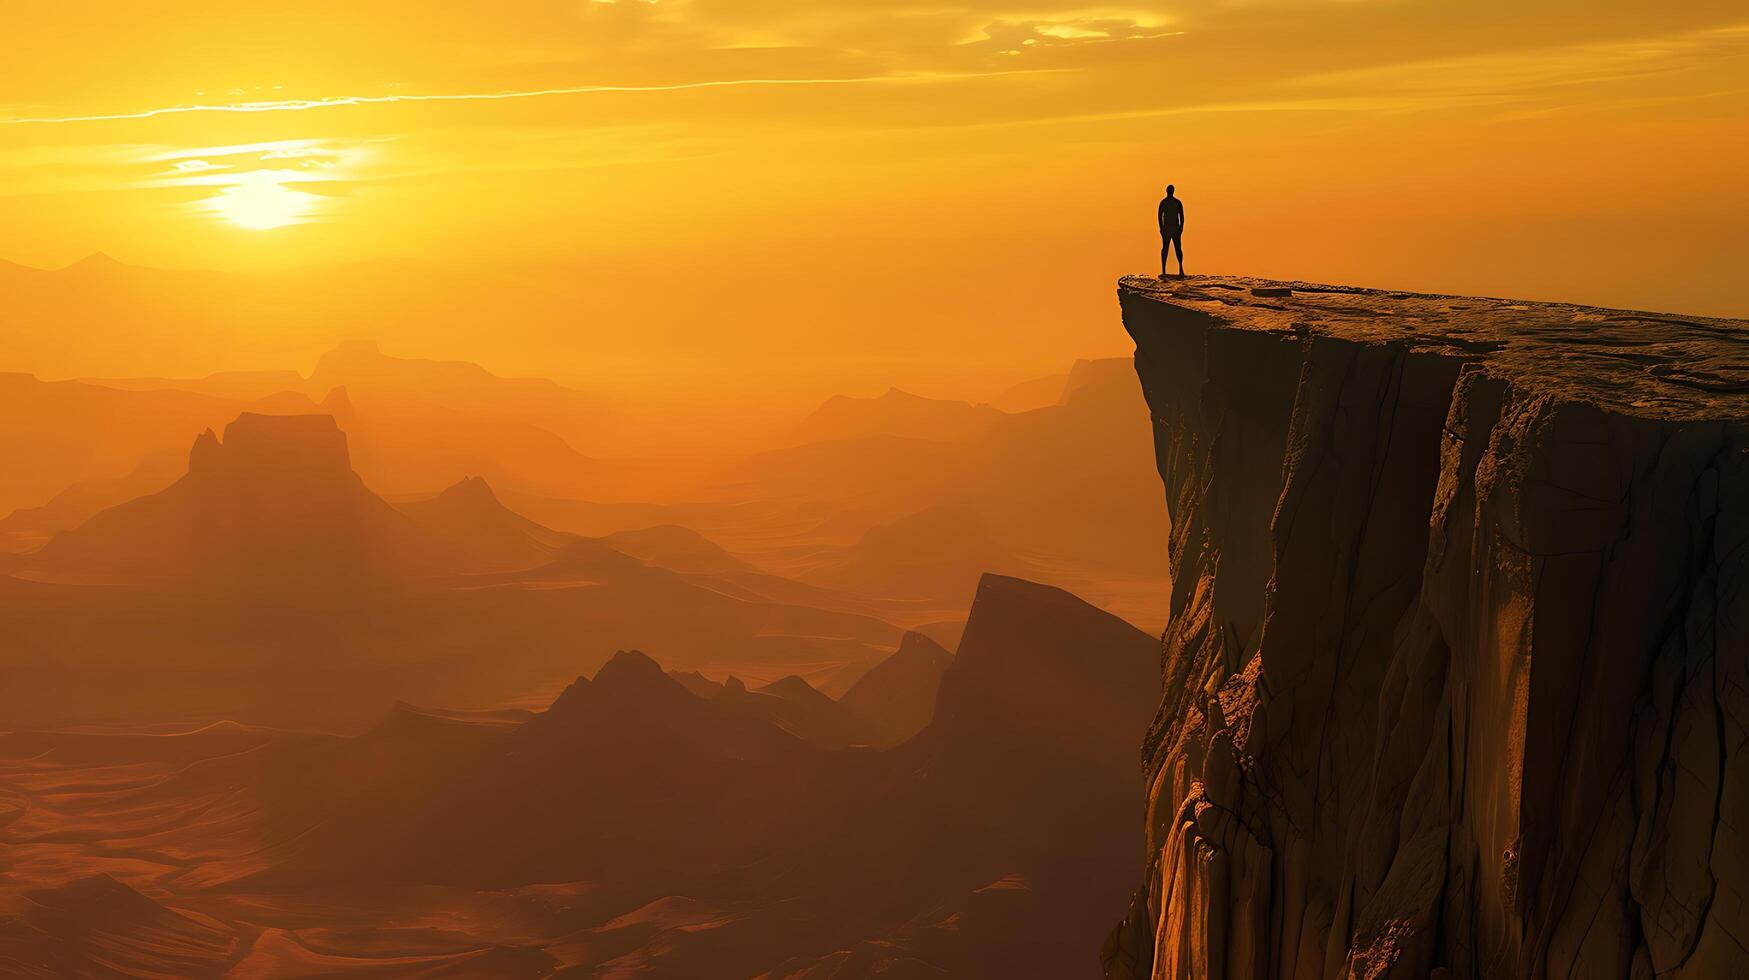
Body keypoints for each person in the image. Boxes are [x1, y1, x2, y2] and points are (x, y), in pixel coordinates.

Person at [1158, 185, 1185, 277]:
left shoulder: (1177, 202)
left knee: (1178, 249)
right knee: (1165, 249)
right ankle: (1163, 270)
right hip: (1167, 229)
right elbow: (1159, 216)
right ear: (1167, 191)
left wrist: (1181, 228)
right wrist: (1161, 228)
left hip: (1175, 229)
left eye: (1171, 190)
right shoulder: (1163, 202)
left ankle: (1181, 269)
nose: (1170, 192)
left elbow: (1181, 216)